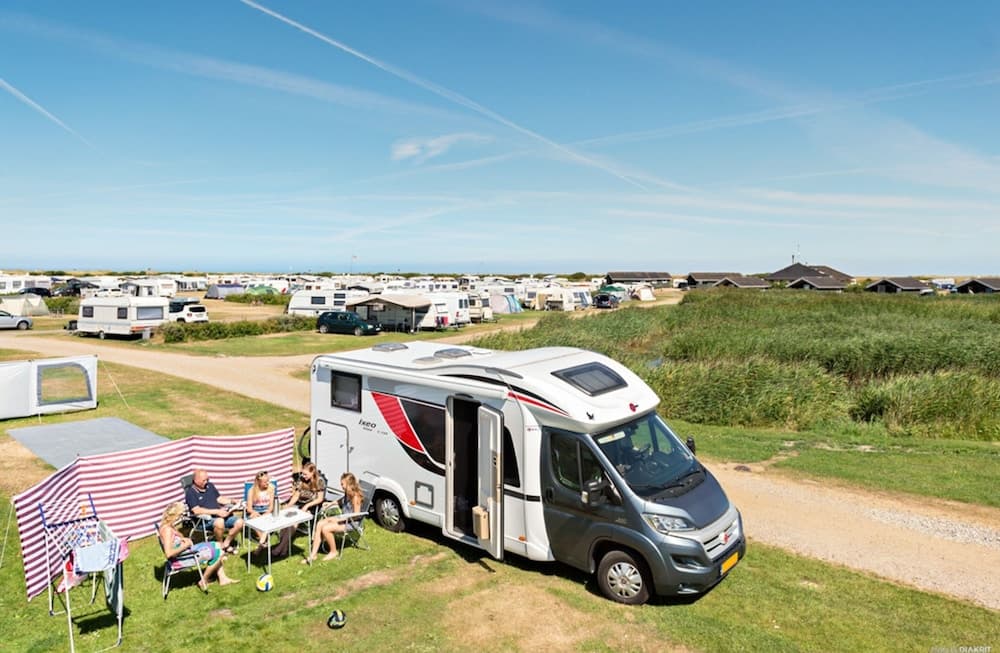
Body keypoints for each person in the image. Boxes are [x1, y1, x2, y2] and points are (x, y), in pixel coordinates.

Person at [158, 502, 238, 590]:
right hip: (182, 559)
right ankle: (203, 581)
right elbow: (169, 554)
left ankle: (223, 579)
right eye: (180, 515)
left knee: (218, 545)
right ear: (174, 515)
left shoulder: (167, 526)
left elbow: (177, 537)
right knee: (220, 552)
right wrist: (186, 545)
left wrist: (183, 539)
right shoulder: (167, 531)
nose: (181, 517)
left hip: (185, 552)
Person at [303, 472, 363, 564]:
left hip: (351, 523)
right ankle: (313, 555)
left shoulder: (355, 497)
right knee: (320, 523)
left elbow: (356, 516)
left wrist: (338, 520)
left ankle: (333, 551)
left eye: (342, 484)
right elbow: (341, 500)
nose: (341, 486)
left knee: (326, 528)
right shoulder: (348, 493)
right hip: (343, 519)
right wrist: (330, 503)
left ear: (349, 484)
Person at [270, 462, 325, 558]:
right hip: (300, 505)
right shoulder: (301, 479)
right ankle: (284, 547)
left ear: (312, 472)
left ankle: (280, 547)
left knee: (294, 521)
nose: (303, 476)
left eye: (305, 474)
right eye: (302, 473)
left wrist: (307, 506)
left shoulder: (319, 481)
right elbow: (296, 495)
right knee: (285, 518)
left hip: (312, 507)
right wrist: (289, 505)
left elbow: (320, 499)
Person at [184, 468, 243, 554]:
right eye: (204, 480)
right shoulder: (190, 493)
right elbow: (196, 510)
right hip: (203, 521)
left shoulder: (210, 486)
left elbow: (219, 498)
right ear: (196, 480)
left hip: (218, 516)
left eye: (207, 479)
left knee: (240, 522)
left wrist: (232, 501)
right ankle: (220, 545)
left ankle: (226, 544)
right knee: (220, 522)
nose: (207, 481)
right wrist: (217, 512)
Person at [247, 470, 274, 553]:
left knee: (266, 518)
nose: (267, 483)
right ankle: (264, 541)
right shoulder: (252, 490)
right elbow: (249, 508)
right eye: (265, 482)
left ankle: (261, 545)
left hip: (267, 510)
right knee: (252, 518)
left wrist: (267, 512)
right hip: (256, 511)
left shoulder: (271, 488)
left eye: (268, 481)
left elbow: (271, 506)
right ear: (258, 482)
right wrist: (255, 512)